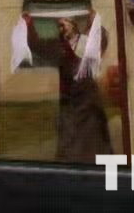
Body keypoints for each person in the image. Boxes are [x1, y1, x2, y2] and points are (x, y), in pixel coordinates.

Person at [23, 10, 113, 163]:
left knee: (92, 144)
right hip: (69, 104)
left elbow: (100, 41)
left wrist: (93, 22)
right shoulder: (59, 46)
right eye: (61, 23)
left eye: (66, 22)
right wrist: (29, 25)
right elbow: (37, 45)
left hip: (87, 103)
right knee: (70, 145)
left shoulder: (85, 42)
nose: (62, 25)